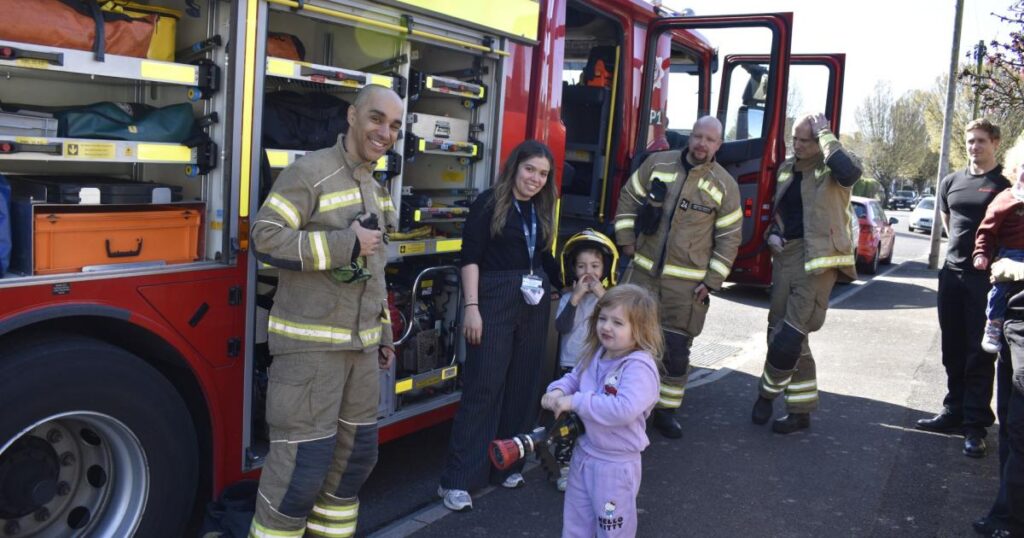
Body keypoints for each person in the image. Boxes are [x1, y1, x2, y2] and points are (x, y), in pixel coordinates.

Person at [248, 85, 403, 537]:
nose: (385, 132)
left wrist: (385, 332)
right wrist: (344, 244)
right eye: (377, 119)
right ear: (352, 116)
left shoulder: (376, 189)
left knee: (353, 464)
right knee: (301, 471)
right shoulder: (309, 172)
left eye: (394, 126)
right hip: (310, 351)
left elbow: (375, 272)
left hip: (360, 350)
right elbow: (265, 238)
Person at [438, 140, 560, 511]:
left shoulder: (541, 208)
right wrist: (471, 308)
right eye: (530, 170)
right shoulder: (488, 203)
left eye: (543, 174)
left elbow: (543, 257)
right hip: (492, 299)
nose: (535, 179)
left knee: (523, 386)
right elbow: (470, 258)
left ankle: (506, 464)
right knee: (484, 389)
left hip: (532, 302)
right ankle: (456, 482)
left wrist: (578, 283)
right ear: (515, 167)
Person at [613, 115, 742, 439]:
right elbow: (629, 197)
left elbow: (730, 236)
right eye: (697, 136)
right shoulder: (658, 164)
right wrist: (626, 239)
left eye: (709, 140)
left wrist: (712, 280)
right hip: (642, 274)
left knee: (675, 351)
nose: (701, 144)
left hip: (684, 287)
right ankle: (624, 408)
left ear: (718, 145)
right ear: (690, 136)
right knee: (628, 344)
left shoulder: (725, 185)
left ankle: (666, 412)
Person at [750, 113, 861, 434]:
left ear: (820, 141)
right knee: (778, 332)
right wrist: (772, 233)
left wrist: (825, 133)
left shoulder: (833, 169)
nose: (796, 145)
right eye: (794, 139)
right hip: (787, 255)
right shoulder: (786, 169)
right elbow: (779, 211)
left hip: (820, 259)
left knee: (790, 336)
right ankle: (800, 411)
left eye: (804, 140)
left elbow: (850, 170)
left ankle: (766, 395)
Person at [917, 118, 1009, 458]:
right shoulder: (951, 182)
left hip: (985, 281)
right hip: (951, 276)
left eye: (981, 141)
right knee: (952, 348)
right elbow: (947, 223)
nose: (975, 147)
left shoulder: (1004, 184)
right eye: (971, 141)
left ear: (995, 143)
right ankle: (953, 411)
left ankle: (975, 426)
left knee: (979, 352)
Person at [541, 284, 662, 538]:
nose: (606, 327)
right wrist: (557, 392)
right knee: (575, 524)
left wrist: (574, 402)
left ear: (639, 329)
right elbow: (574, 378)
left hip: (616, 467)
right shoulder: (597, 353)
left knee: (612, 531)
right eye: (603, 318)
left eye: (618, 322)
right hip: (584, 455)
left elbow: (623, 409)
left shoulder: (639, 367)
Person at [973, 133, 1024, 538]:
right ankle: (1007, 511)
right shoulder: (1007, 200)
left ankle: (1009, 517)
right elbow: (985, 234)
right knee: (1009, 419)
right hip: (1010, 317)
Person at [552, 229, 619, 491]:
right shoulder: (570, 298)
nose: (588, 272)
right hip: (570, 367)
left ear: (605, 268)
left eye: (594, 265)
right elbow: (561, 327)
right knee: (566, 423)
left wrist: (603, 294)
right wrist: (576, 298)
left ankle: (592, 466)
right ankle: (566, 469)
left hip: (598, 369)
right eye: (581, 266)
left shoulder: (611, 299)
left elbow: (620, 318)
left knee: (593, 421)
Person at [974, 179, 1024, 354]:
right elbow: (987, 230)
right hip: (1012, 254)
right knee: (1001, 287)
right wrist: (981, 253)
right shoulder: (1007, 198)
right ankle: (993, 323)